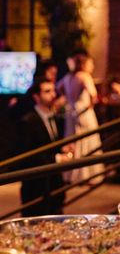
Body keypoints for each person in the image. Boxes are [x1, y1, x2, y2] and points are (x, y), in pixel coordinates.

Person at [16, 78, 73, 216]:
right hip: (36, 189)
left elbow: (50, 144)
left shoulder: (54, 117)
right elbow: (27, 156)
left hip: (54, 185)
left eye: (53, 90)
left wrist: (63, 149)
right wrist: (57, 158)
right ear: (36, 97)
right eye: (47, 91)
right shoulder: (27, 121)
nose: (53, 94)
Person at [58, 54, 105, 184]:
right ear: (84, 64)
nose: (92, 66)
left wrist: (68, 100)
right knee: (88, 140)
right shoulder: (84, 76)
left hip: (71, 111)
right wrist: (88, 106)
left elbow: (58, 87)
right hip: (83, 112)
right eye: (90, 63)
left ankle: (71, 174)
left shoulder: (68, 77)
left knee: (73, 141)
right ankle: (87, 175)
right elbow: (94, 95)